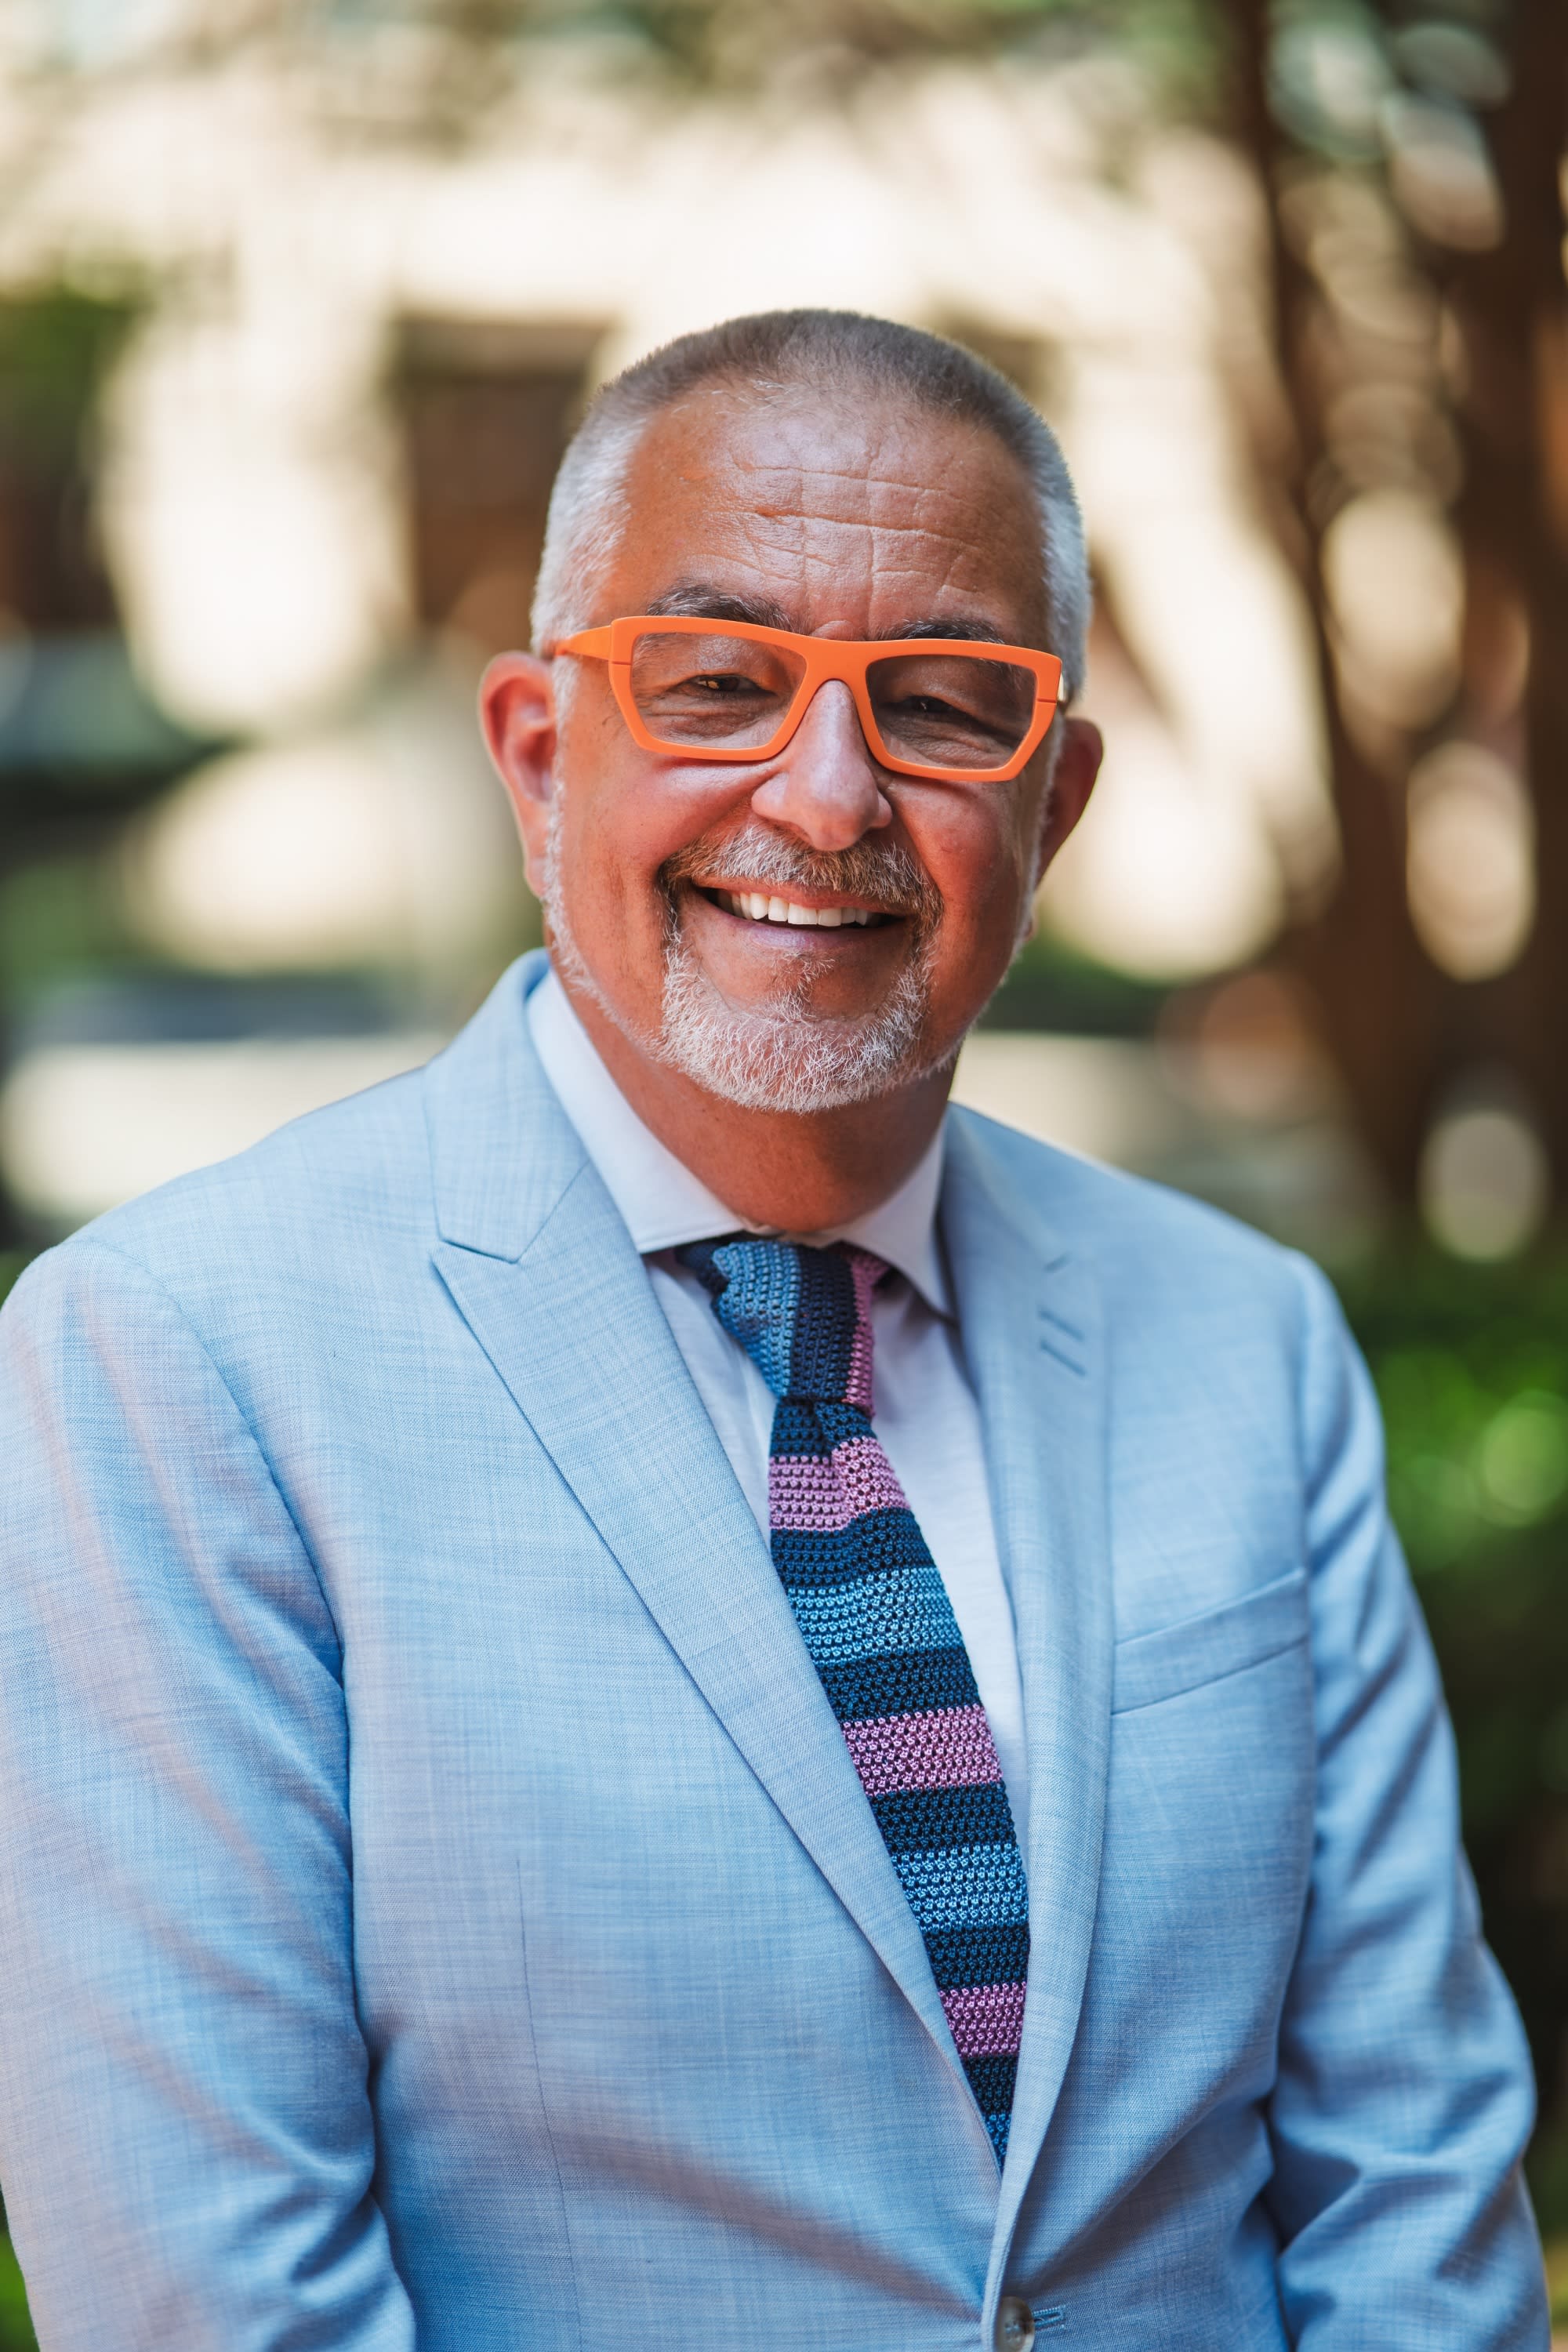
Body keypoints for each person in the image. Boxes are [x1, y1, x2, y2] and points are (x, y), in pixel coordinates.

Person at [0, 309, 1547, 2352]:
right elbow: (213, 2294)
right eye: (720, 682)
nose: (826, 800)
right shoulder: (176, 1360)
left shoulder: (1249, 1341)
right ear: (538, 758)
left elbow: (1412, 2191)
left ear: (1056, 804)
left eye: (943, 706)